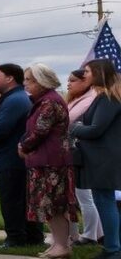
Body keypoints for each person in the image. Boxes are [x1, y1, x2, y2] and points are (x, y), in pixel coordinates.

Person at [18, 63, 75, 259]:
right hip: (43, 160)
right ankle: (58, 244)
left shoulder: (50, 102)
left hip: (52, 162)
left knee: (54, 205)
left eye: (29, 80)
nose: (25, 84)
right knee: (47, 205)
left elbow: (40, 131)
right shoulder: (42, 101)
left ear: (42, 81)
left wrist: (23, 147)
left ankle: (62, 246)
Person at [0, 62, 45, 247]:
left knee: (12, 201)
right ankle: (33, 237)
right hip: (16, 158)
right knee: (24, 201)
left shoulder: (14, 100)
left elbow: (1, 129)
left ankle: (16, 238)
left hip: (12, 160)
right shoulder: (17, 98)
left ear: (10, 78)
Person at [71, 59, 121, 259]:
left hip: (103, 158)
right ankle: (113, 246)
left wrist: (73, 127)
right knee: (105, 201)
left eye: (88, 71)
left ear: (99, 73)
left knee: (105, 201)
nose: (85, 74)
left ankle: (112, 249)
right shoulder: (106, 97)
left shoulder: (108, 98)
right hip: (103, 157)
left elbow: (95, 129)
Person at [65, 68, 103, 246]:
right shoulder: (77, 100)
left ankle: (90, 235)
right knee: (75, 196)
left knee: (84, 196)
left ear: (84, 82)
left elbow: (69, 121)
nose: (68, 83)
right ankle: (94, 233)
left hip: (81, 153)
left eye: (73, 80)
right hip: (72, 152)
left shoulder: (89, 99)